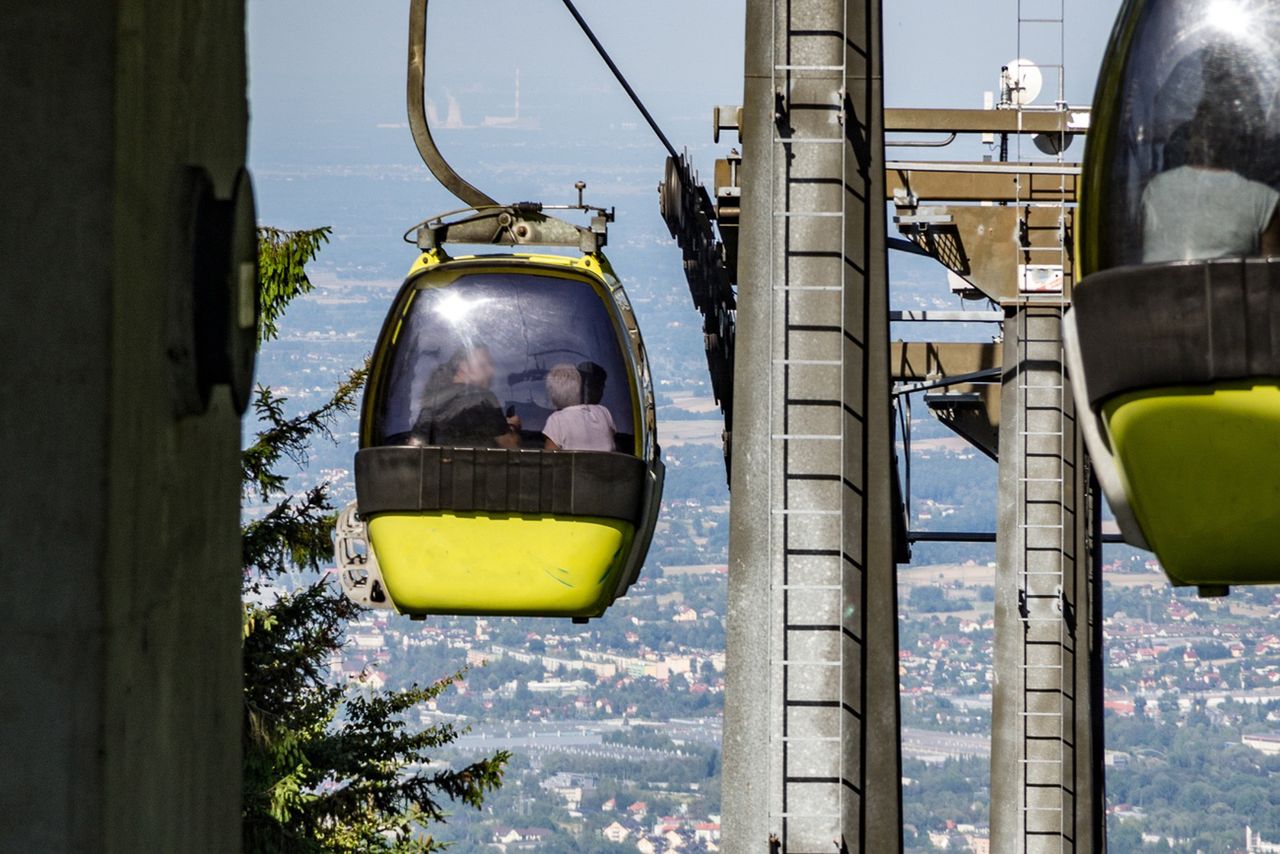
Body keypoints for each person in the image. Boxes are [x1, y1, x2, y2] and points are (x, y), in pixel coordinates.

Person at [413, 343, 521, 448]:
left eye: (490, 364)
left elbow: (414, 445)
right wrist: (512, 428)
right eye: (483, 365)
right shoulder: (484, 399)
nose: (491, 370)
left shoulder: (433, 401)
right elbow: (512, 452)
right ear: (462, 367)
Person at [542, 363, 616, 452]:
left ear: (552, 395)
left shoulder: (556, 420)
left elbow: (550, 458)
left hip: (574, 466)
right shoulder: (603, 412)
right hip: (607, 465)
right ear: (580, 387)